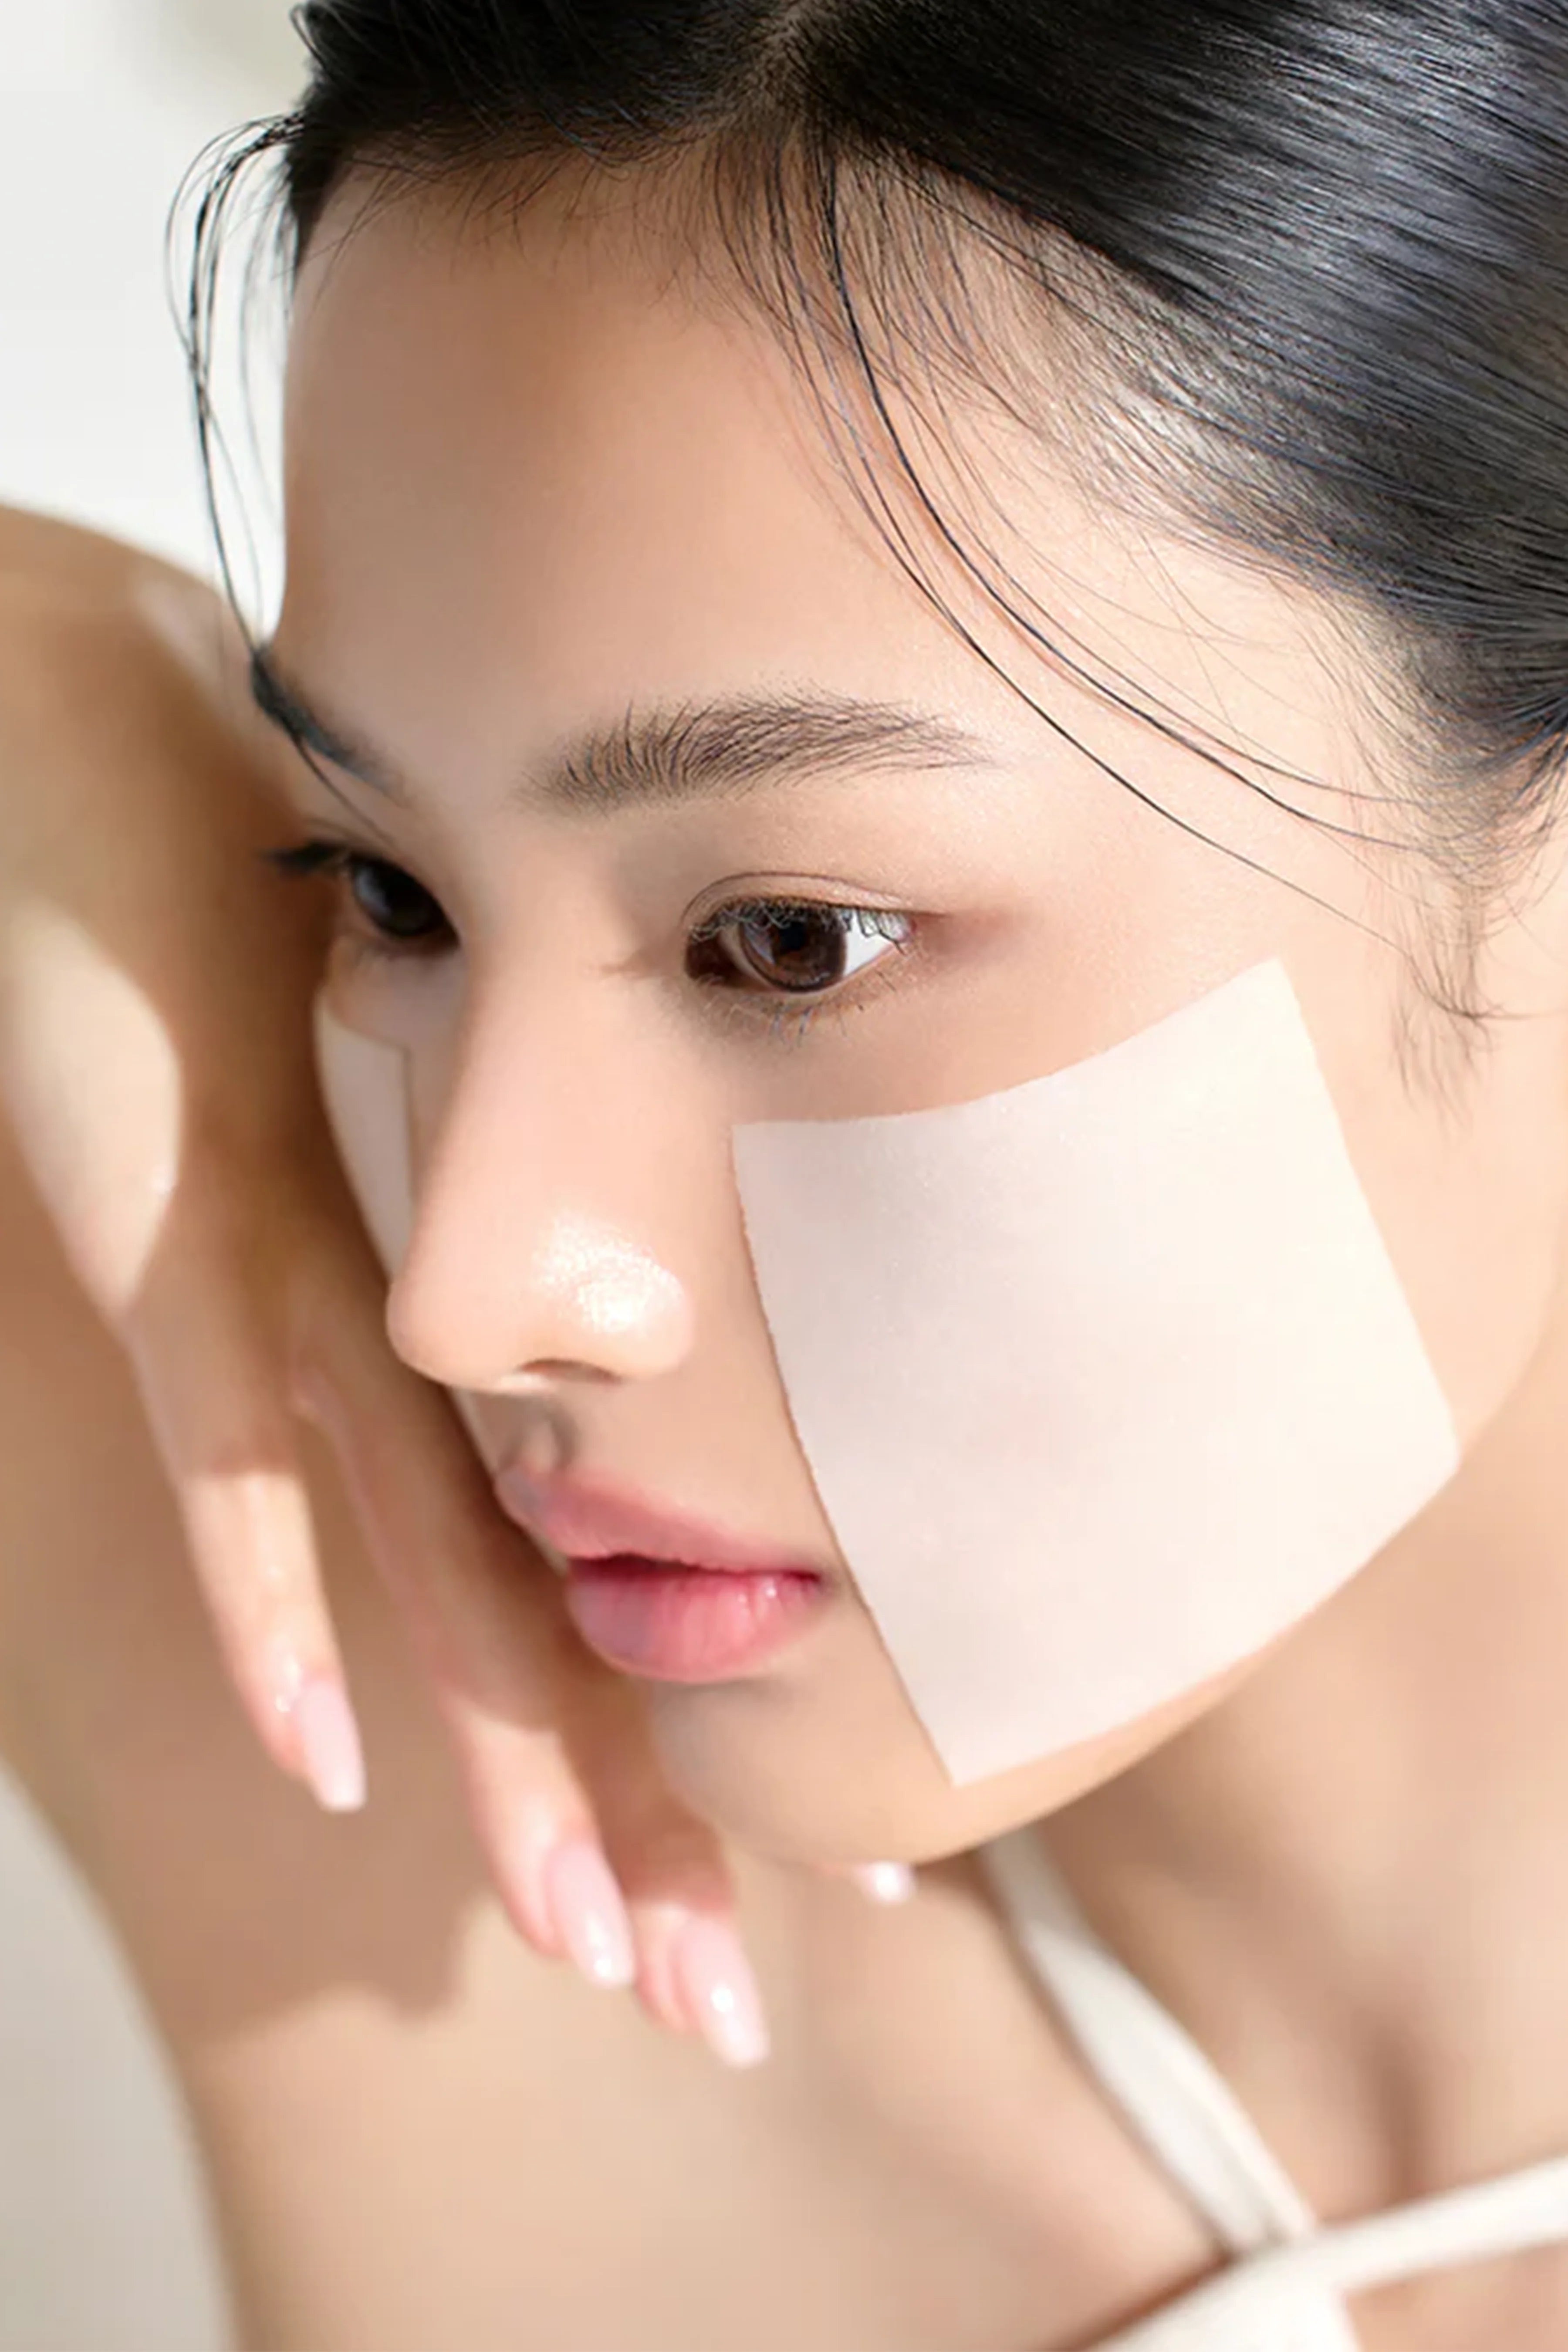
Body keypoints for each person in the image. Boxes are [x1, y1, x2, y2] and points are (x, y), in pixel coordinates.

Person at [4, 0, 1568, 2343]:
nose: (465, 1286)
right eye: (389, 888)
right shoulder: (287, 1572)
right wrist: (69, 693)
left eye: (792, 939)